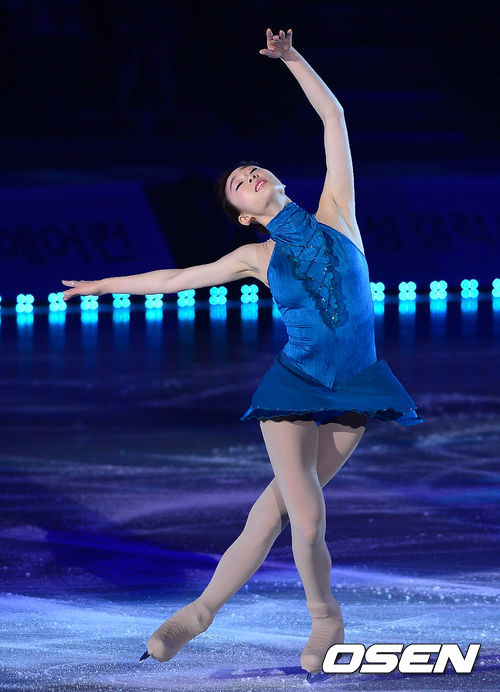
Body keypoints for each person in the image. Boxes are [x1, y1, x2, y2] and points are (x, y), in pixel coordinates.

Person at [61, 27, 423, 678]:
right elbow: (177, 278)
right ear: (244, 214)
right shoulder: (256, 255)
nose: (248, 174)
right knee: (304, 515)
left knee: (275, 513)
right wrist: (104, 284)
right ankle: (323, 619)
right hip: (295, 385)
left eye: (250, 169)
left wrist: (292, 59)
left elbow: (334, 118)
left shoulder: (338, 212)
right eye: (237, 183)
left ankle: (201, 611)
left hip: (358, 385)